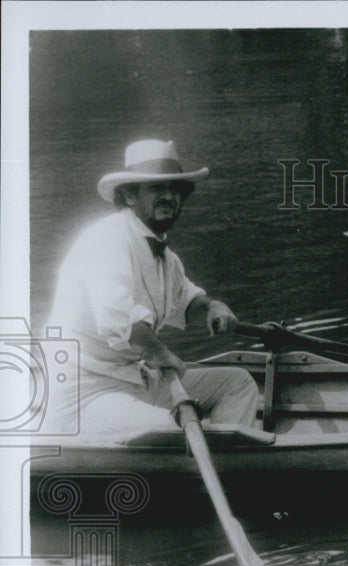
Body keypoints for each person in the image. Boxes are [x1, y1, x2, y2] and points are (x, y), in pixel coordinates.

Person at [49, 139, 259, 435]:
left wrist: (213, 306)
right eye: (156, 189)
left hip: (138, 380)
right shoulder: (107, 240)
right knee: (173, 431)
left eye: (175, 189)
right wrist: (161, 354)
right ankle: (209, 462)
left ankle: (228, 463)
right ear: (130, 196)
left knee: (237, 383)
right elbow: (118, 319)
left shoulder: (164, 256)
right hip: (86, 395)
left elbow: (185, 296)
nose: (168, 197)